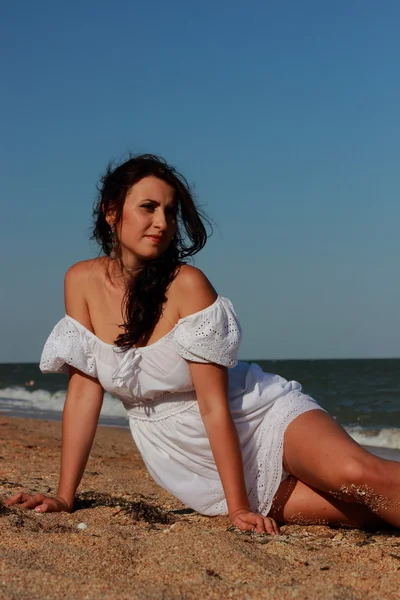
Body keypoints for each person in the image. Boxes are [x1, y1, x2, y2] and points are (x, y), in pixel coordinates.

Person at [6, 154, 400, 534]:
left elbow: (213, 405)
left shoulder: (187, 285)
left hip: (255, 416)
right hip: (188, 462)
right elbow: (82, 394)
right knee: (359, 513)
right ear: (112, 212)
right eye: (148, 207)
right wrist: (64, 496)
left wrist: (239, 507)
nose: (162, 222)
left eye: (170, 211)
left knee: (357, 476)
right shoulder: (80, 281)